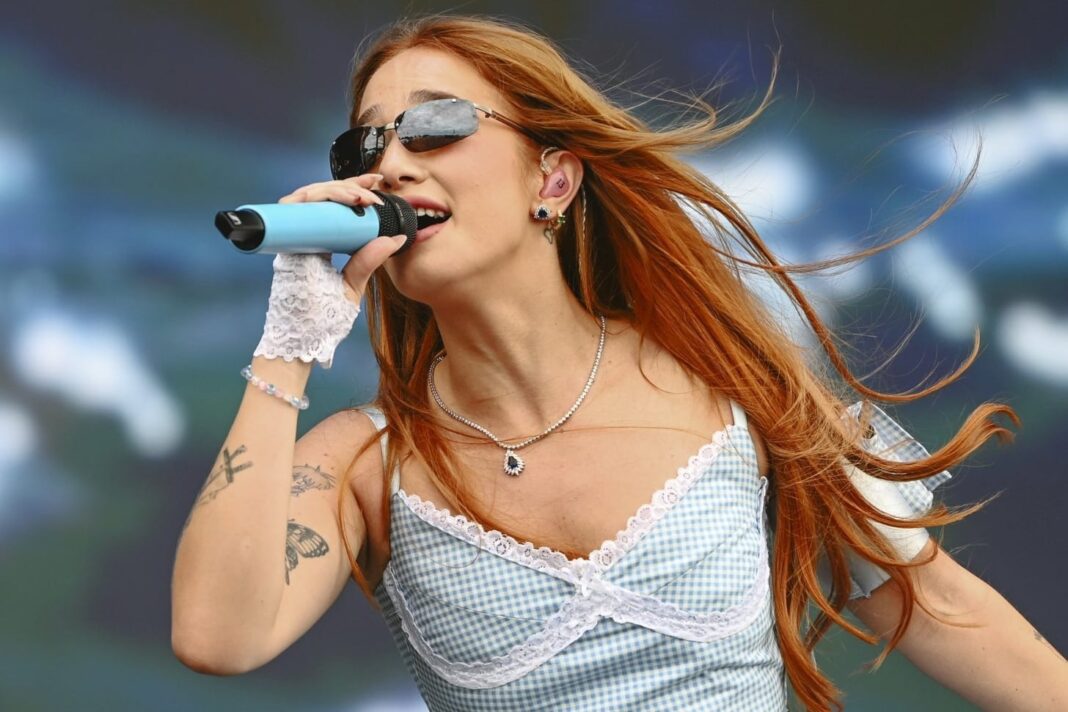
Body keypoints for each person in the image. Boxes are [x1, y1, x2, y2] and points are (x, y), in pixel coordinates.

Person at [171, 13, 1066, 712]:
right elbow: (217, 637)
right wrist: (289, 347)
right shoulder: (363, 463)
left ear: (552, 182)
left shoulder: (733, 387)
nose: (393, 164)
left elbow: (942, 610)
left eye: (435, 127)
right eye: (365, 145)